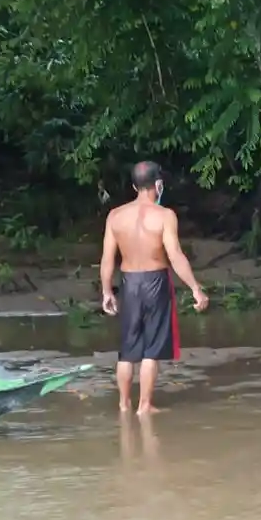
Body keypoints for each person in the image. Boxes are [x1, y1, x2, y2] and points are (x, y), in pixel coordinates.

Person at [100, 161, 209, 415]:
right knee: (152, 347)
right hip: (155, 281)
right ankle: (145, 406)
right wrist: (195, 288)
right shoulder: (165, 215)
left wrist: (106, 291)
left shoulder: (115, 215)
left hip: (128, 282)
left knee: (127, 350)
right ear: (158, 184)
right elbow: (176, 256)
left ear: (134, 186)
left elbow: (107, 259)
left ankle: (124, 404)